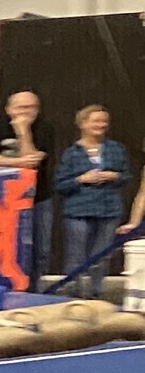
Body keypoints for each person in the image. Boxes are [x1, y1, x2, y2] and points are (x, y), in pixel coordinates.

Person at [55, 104, 132, 271]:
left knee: (102, 256)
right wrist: (82, 179)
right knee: (76, 256)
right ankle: (75, 292)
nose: (101, 125)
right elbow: (60, 184)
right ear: (83, 124)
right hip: (78, 212)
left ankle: (95, 292)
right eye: (96, 121)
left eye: (104, 121)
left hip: (109, 210)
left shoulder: (116, 149)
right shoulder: (71, 153)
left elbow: (126, 176)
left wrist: (115, 176)